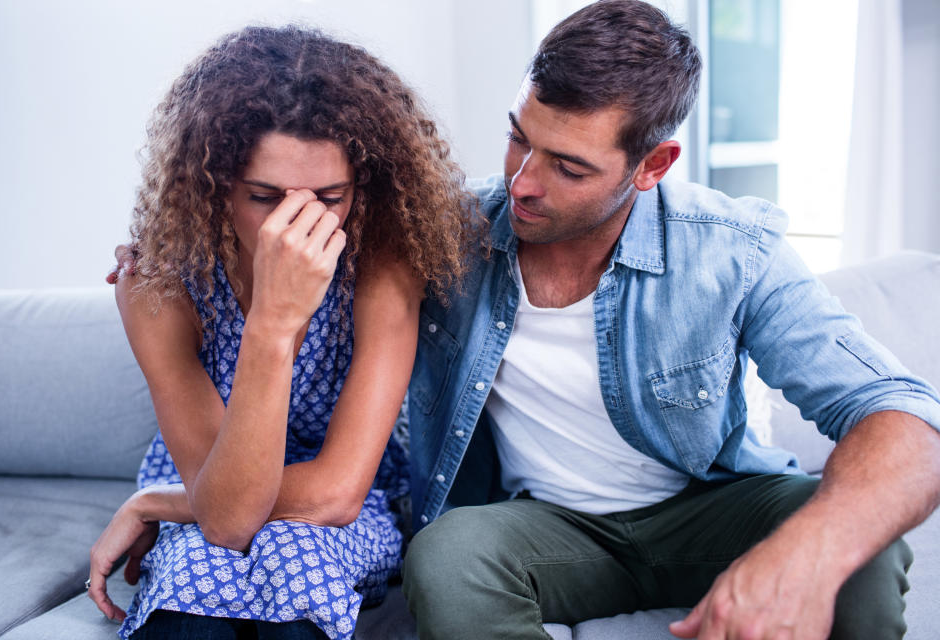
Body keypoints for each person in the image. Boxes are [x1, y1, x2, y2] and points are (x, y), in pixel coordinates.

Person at [401, 2, 940, 639]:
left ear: (653, 165)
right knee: (447, 556)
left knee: (864, 551)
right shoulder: (449, 234)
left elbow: (904, 418)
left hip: (711, 513)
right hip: (548, 529)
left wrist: (810, 553)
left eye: (569, 167)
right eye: (519, 136)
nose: (521, 182)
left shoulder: (730, 250)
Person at [87, 25, 475, 640]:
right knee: (194, 572)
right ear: (214, 190)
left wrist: (155, 503)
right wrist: (273, 319)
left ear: (361, 188)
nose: (296, 227)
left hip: (321, 513)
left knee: (299, 559)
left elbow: (337, 495)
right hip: (210, 487)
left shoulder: (381, 267)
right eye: (265, 197)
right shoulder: (156, 284)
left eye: (330, 196)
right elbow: (227, 517)